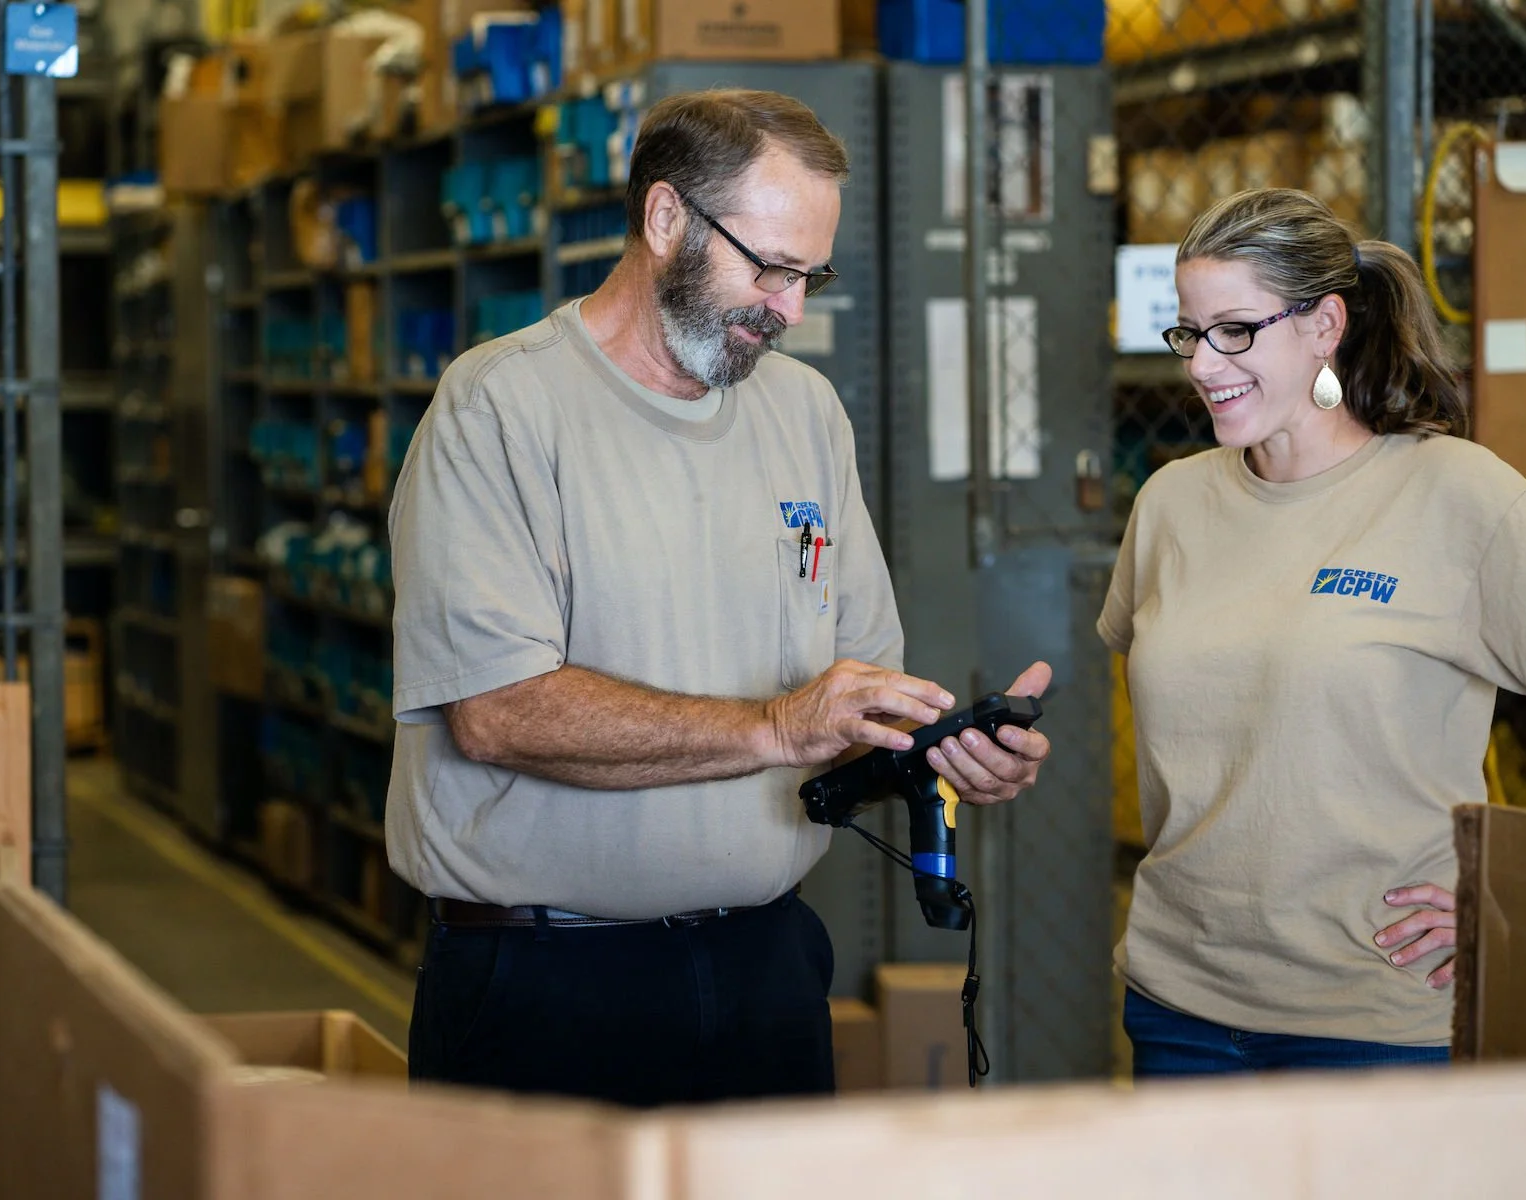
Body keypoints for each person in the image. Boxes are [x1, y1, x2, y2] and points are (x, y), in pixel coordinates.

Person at [383, 89, 1053, 1107]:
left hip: (763, 971)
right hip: (545, 984)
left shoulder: (805, 412)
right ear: (665, 221)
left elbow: (846, 696)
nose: (790, 309)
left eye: (808, 276)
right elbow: (496, 712)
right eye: (770, 268)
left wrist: (935, 749)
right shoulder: (499, 410)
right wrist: (777, 728)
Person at [1100, 187, 1526, 1077]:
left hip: (1378, 1013)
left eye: (1237, 330)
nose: (1204, 365)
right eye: (1189, 332)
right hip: (1179, 1002)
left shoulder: (1458, 494)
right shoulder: (1171, 502)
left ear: (1325, 325)